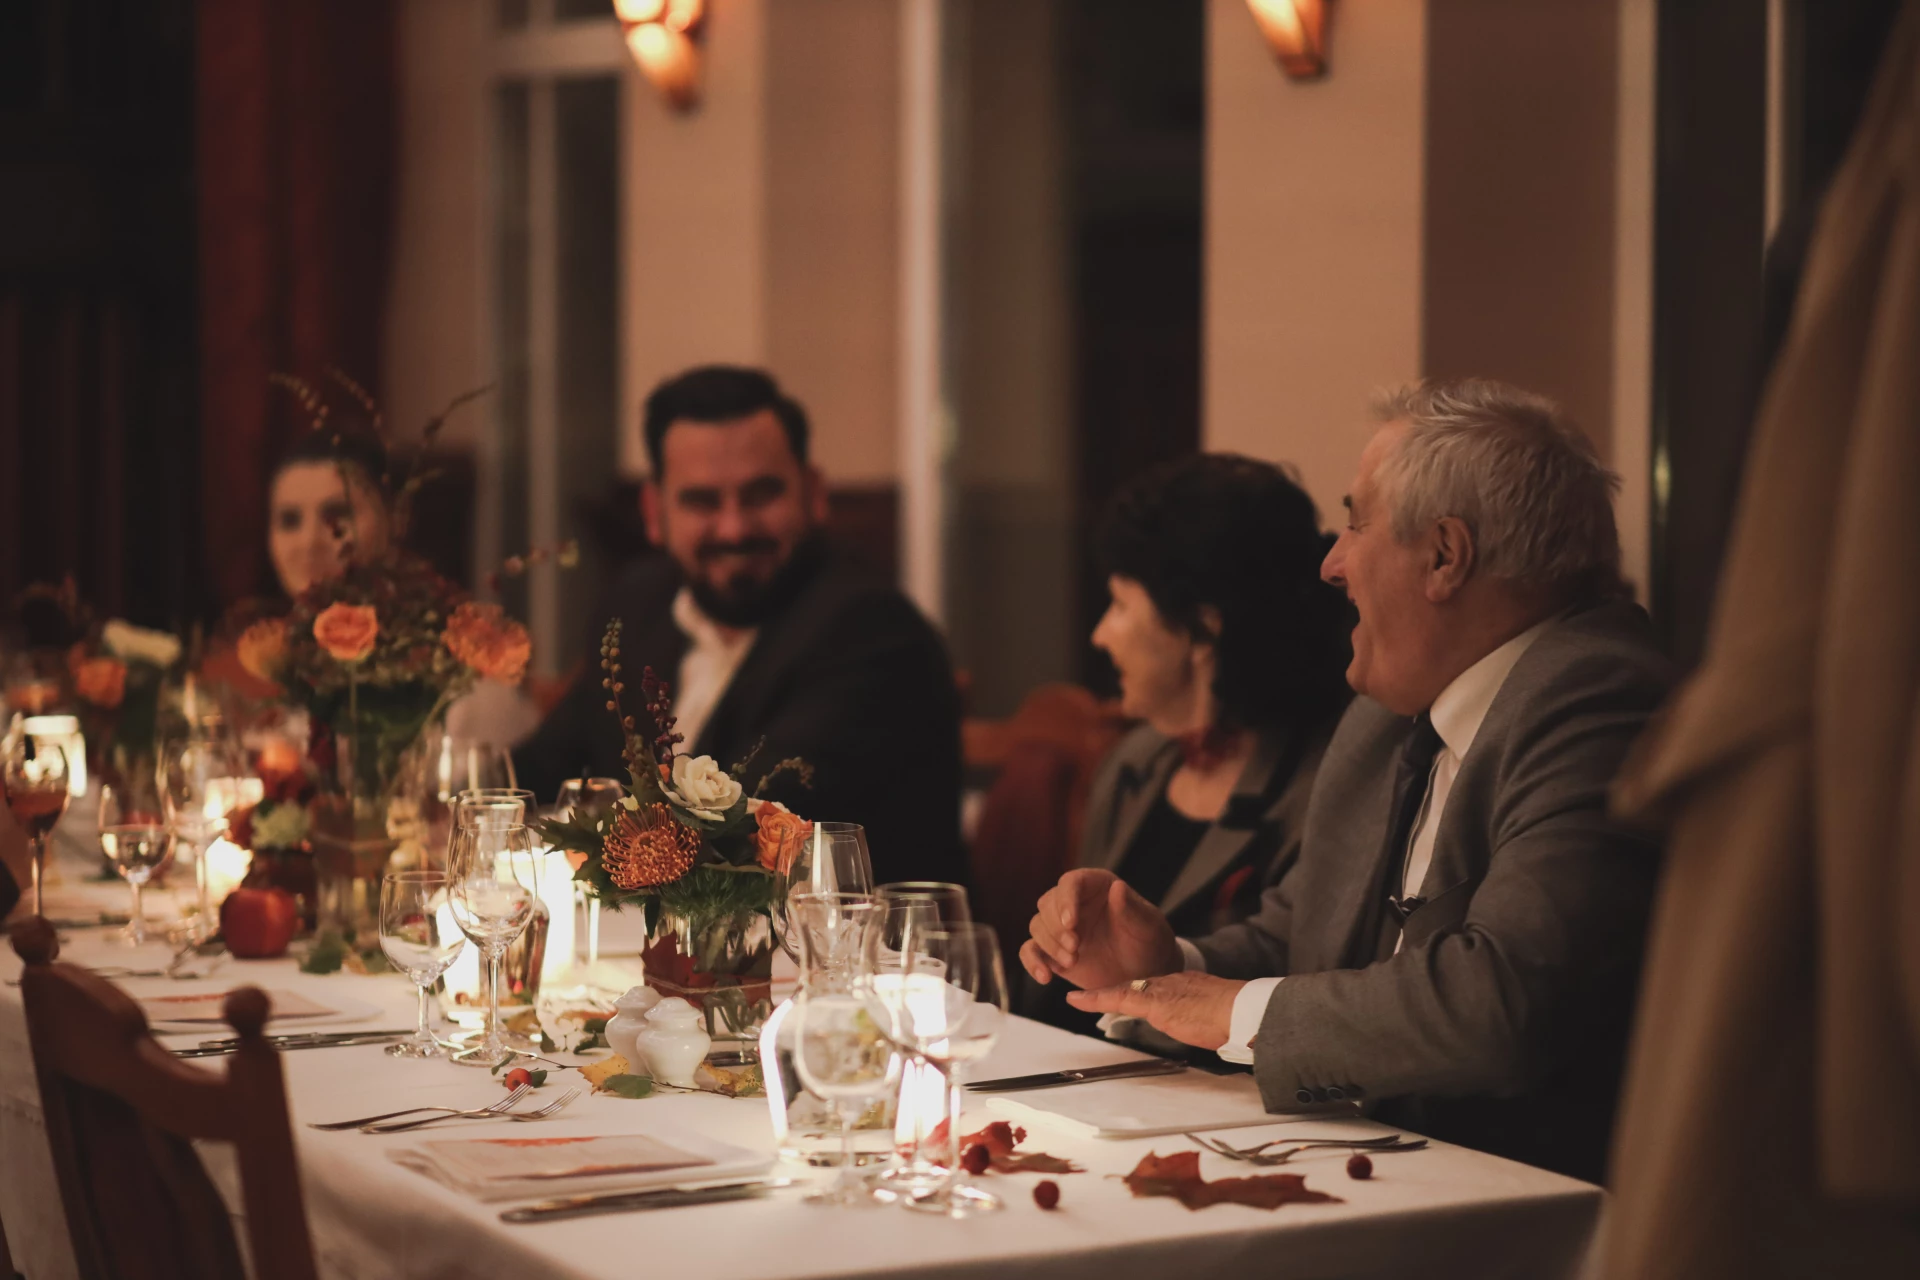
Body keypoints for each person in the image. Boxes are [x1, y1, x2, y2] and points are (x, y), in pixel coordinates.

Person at [1023, 378, 1675, 1182]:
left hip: (1520, 1208)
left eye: (1356, 523)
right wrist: (1157, 969)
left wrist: (1227, 1009)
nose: (1332, 564)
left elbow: (1503, 1004)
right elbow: (1304, 937)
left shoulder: (1599, 698)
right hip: (1363, 1176)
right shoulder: (1385, 714)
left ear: (1444, 555)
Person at [514, 365, 965, 887]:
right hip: (676, 955)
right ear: (654, 512)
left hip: (844, 960)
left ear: (813, 493)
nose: (734, 528)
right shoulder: (637, 605)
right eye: (702, 501)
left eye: (761, 495)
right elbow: (542, 770)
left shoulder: (873, 634)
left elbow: (736, 830)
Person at [1024, 455, 1351, 1041]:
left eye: (1122, 604)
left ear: (1203, 627)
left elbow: (1295, 976)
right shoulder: (1134, 763)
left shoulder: (1324, 781)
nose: (1100, 634)